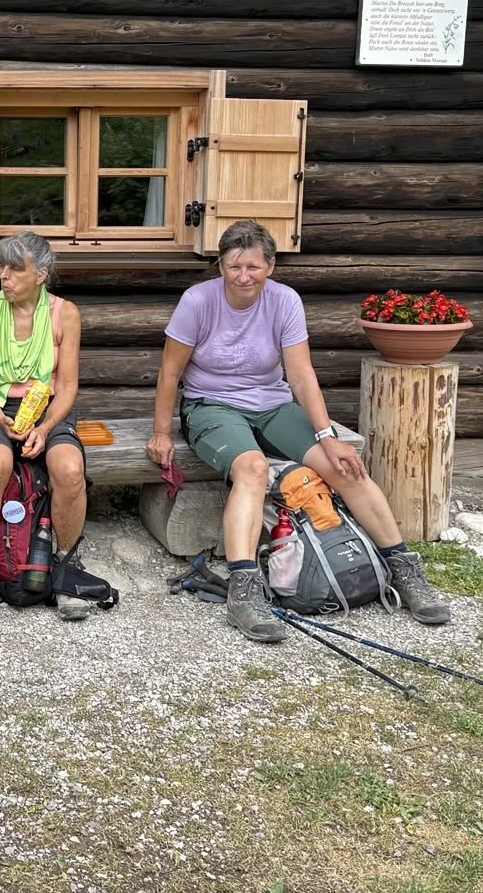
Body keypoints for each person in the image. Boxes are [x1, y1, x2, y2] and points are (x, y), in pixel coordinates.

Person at [146, 219, 450, 643]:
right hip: (211, 405)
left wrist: (328, 436)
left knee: (344, 466)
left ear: (270, 266)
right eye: (234, 266)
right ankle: (244, 589)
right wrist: (162, 432)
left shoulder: (285, 300)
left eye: (253, 266)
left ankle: (403, 568)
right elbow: (170, 371)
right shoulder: (198, 301)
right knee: (251, 468)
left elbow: (301, 373)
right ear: (220, 267)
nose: (243, 276)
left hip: (273, 403)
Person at [0, 231, 89, 627]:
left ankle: (66, 568)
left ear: (41, 274)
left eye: (16, 269)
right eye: (2, 267)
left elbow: (68, 387)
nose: (5, 276)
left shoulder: (66, 313)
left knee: (69, 469)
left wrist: (45, 428)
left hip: (48, 409)